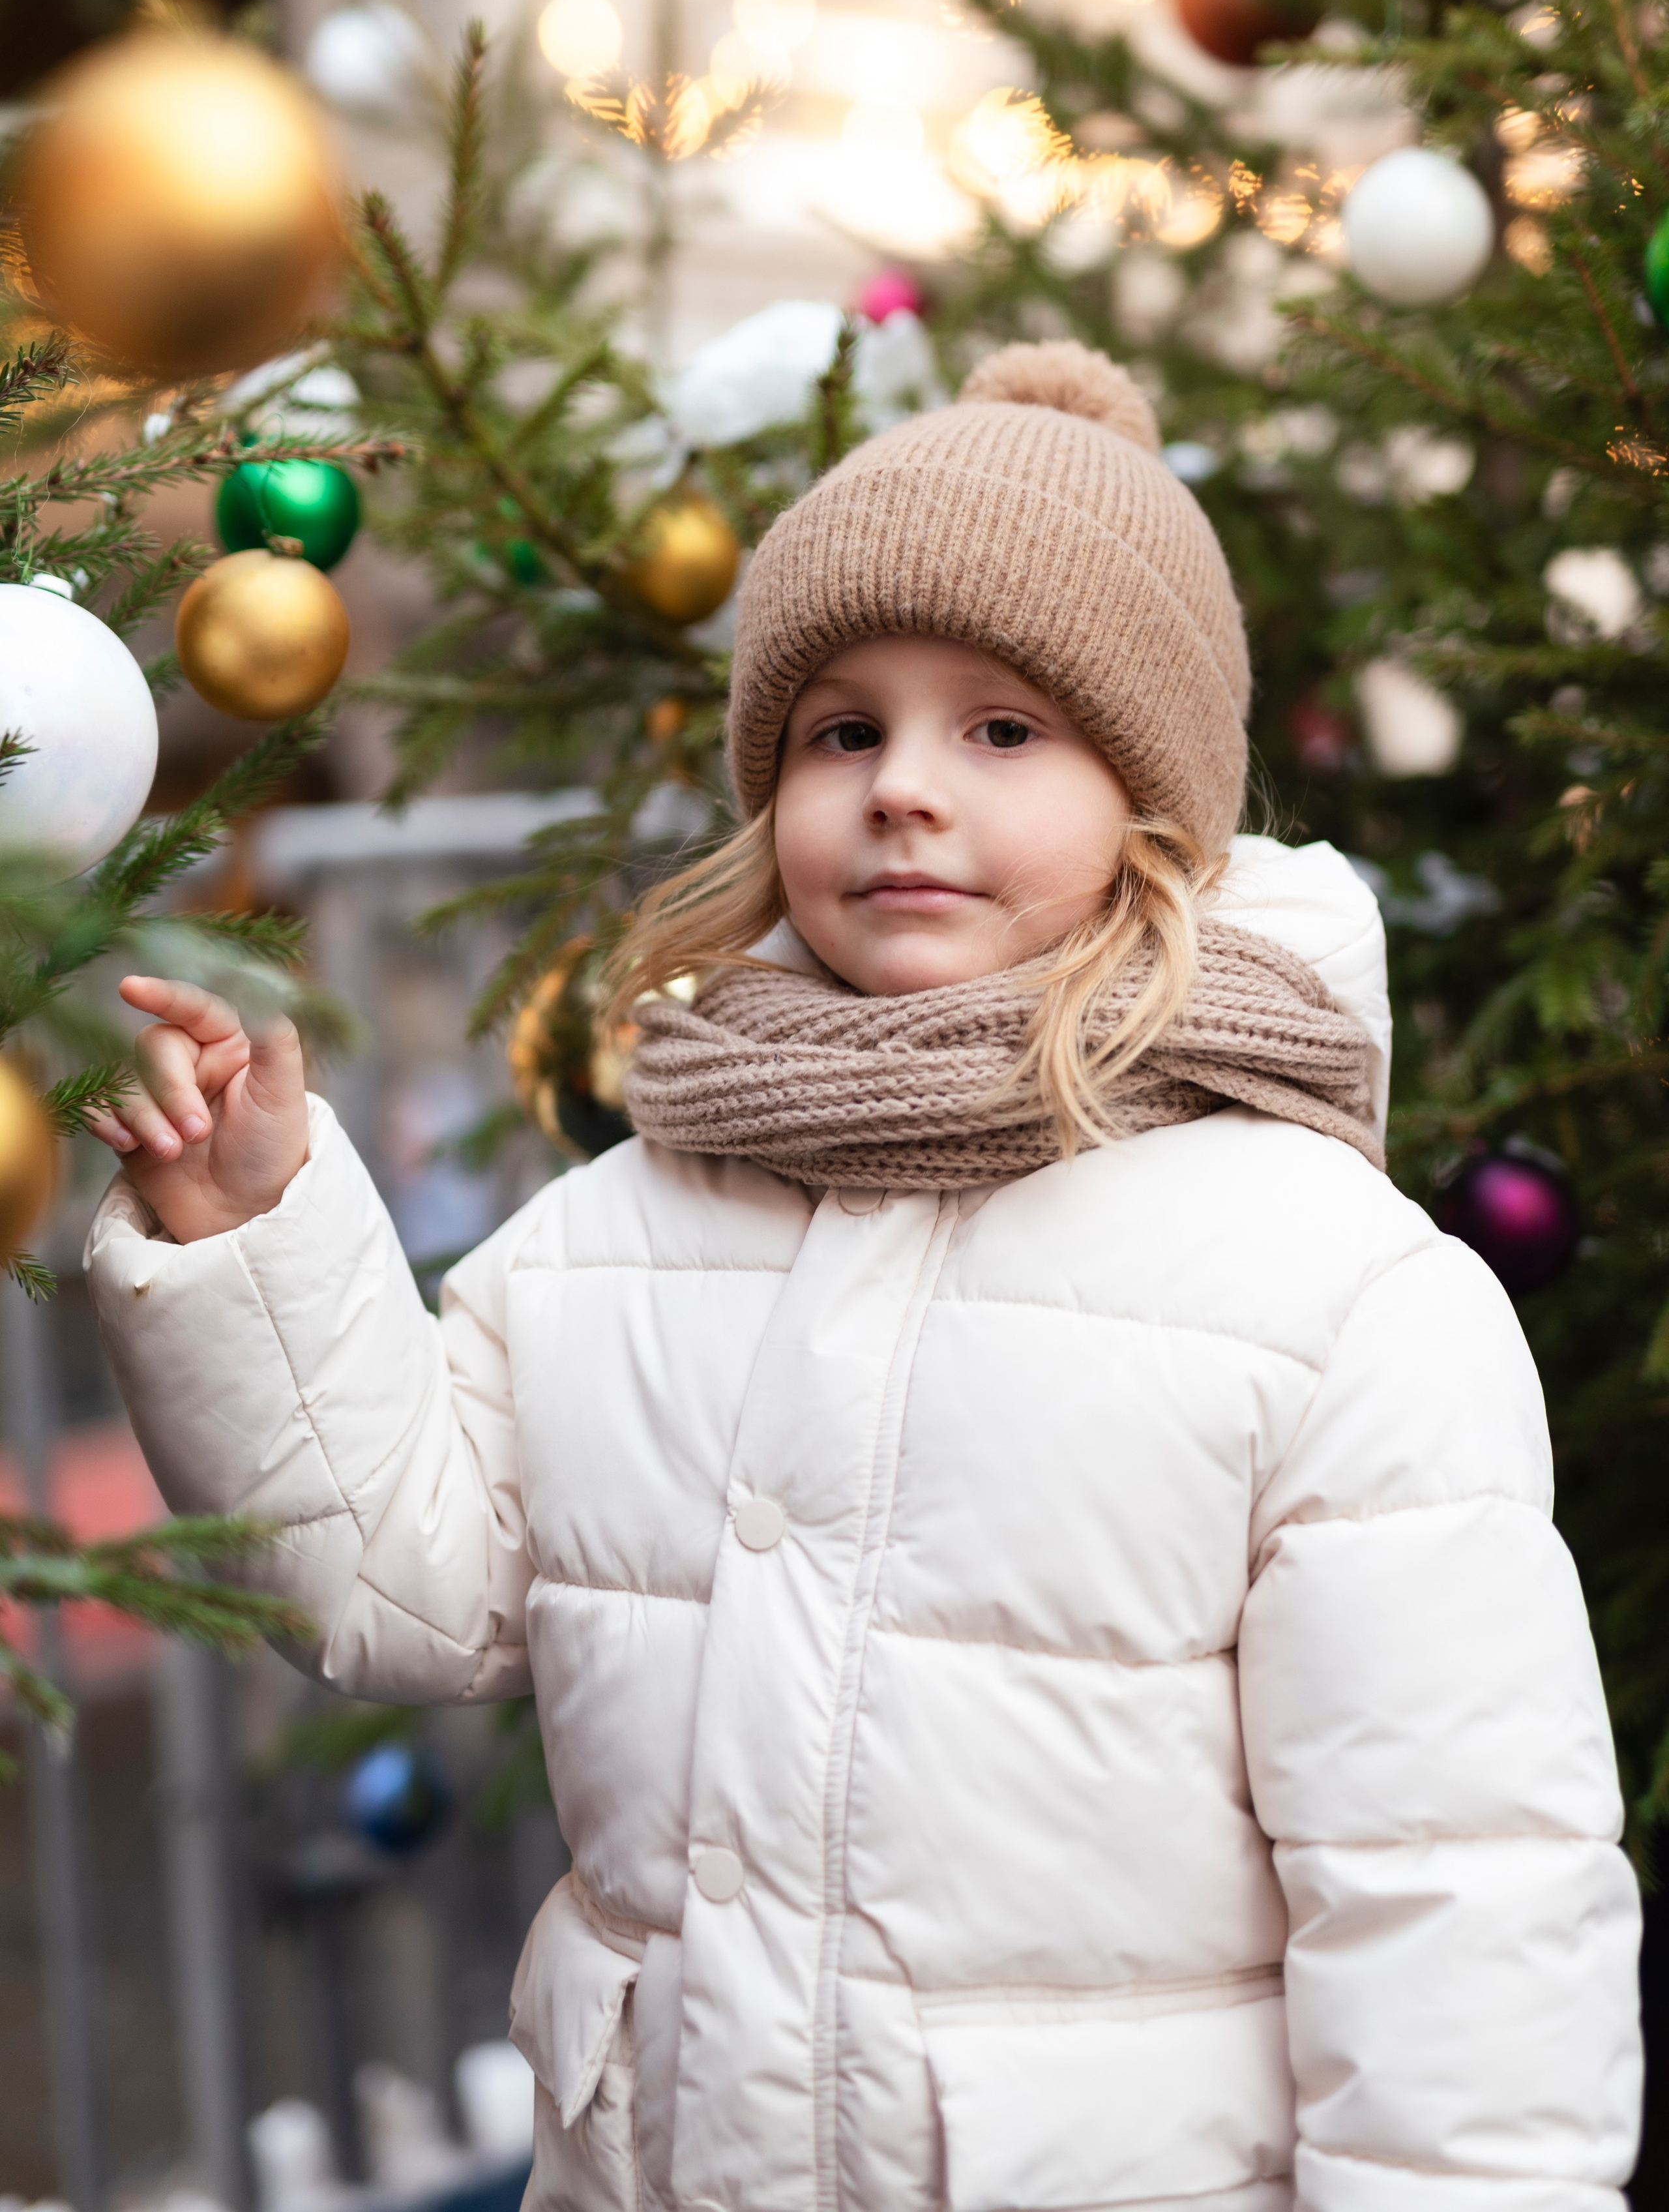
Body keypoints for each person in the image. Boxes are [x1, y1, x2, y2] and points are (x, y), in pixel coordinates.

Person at [84, 342, 1639, 2212]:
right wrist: (251, 1228)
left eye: (1003, 729)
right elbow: (396, 1585)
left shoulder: (1326, 1287)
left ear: (1157, 801)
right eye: (843, 728)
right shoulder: (631, 1221)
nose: (904, 787)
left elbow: (1453, 1887)